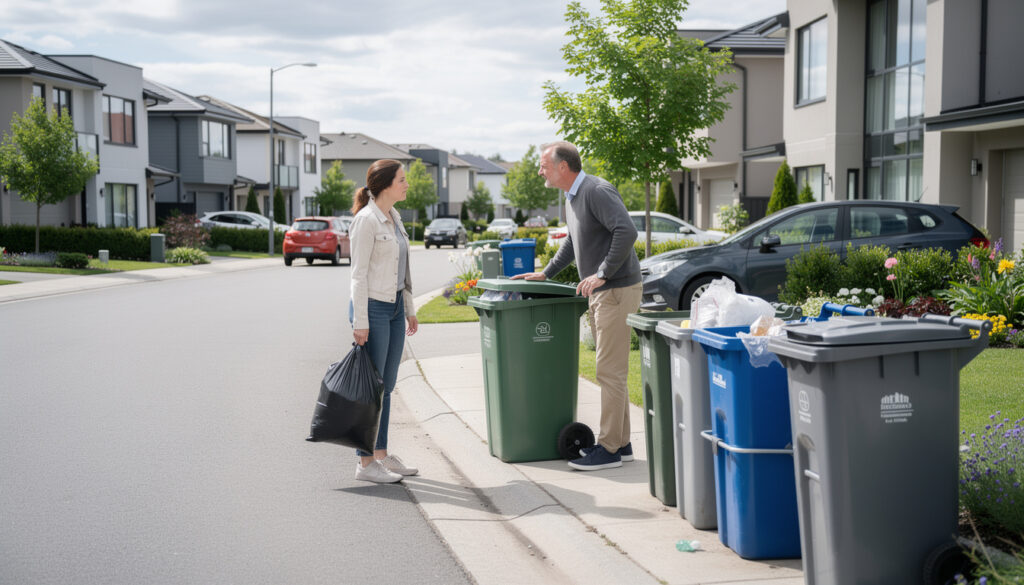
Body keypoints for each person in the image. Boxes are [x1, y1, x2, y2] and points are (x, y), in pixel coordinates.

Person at [511, 141, 642, 471]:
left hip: (616, 288)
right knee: (613, 373)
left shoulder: (596, 191)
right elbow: (574, 240)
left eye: (544, 166)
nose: (540, 171)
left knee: (608, 372)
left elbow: (627, 231)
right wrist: (547, 272)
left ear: (563, 168)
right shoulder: (572, 197)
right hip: (603, 290)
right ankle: (622, 444)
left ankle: (609, 448)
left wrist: (602, 273)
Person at [348, 159, 420, 483]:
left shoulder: (394, 217)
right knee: (371, 389)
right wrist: (360, 321)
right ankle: (365, 464)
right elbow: (358, 276)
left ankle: (381, 454)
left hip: (392, 310)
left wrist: (409, 308)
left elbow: (402, 271)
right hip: (373, 310)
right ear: (385, 185)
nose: (406, 184)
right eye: (402, 179)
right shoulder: (366, 221)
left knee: (387, 387)